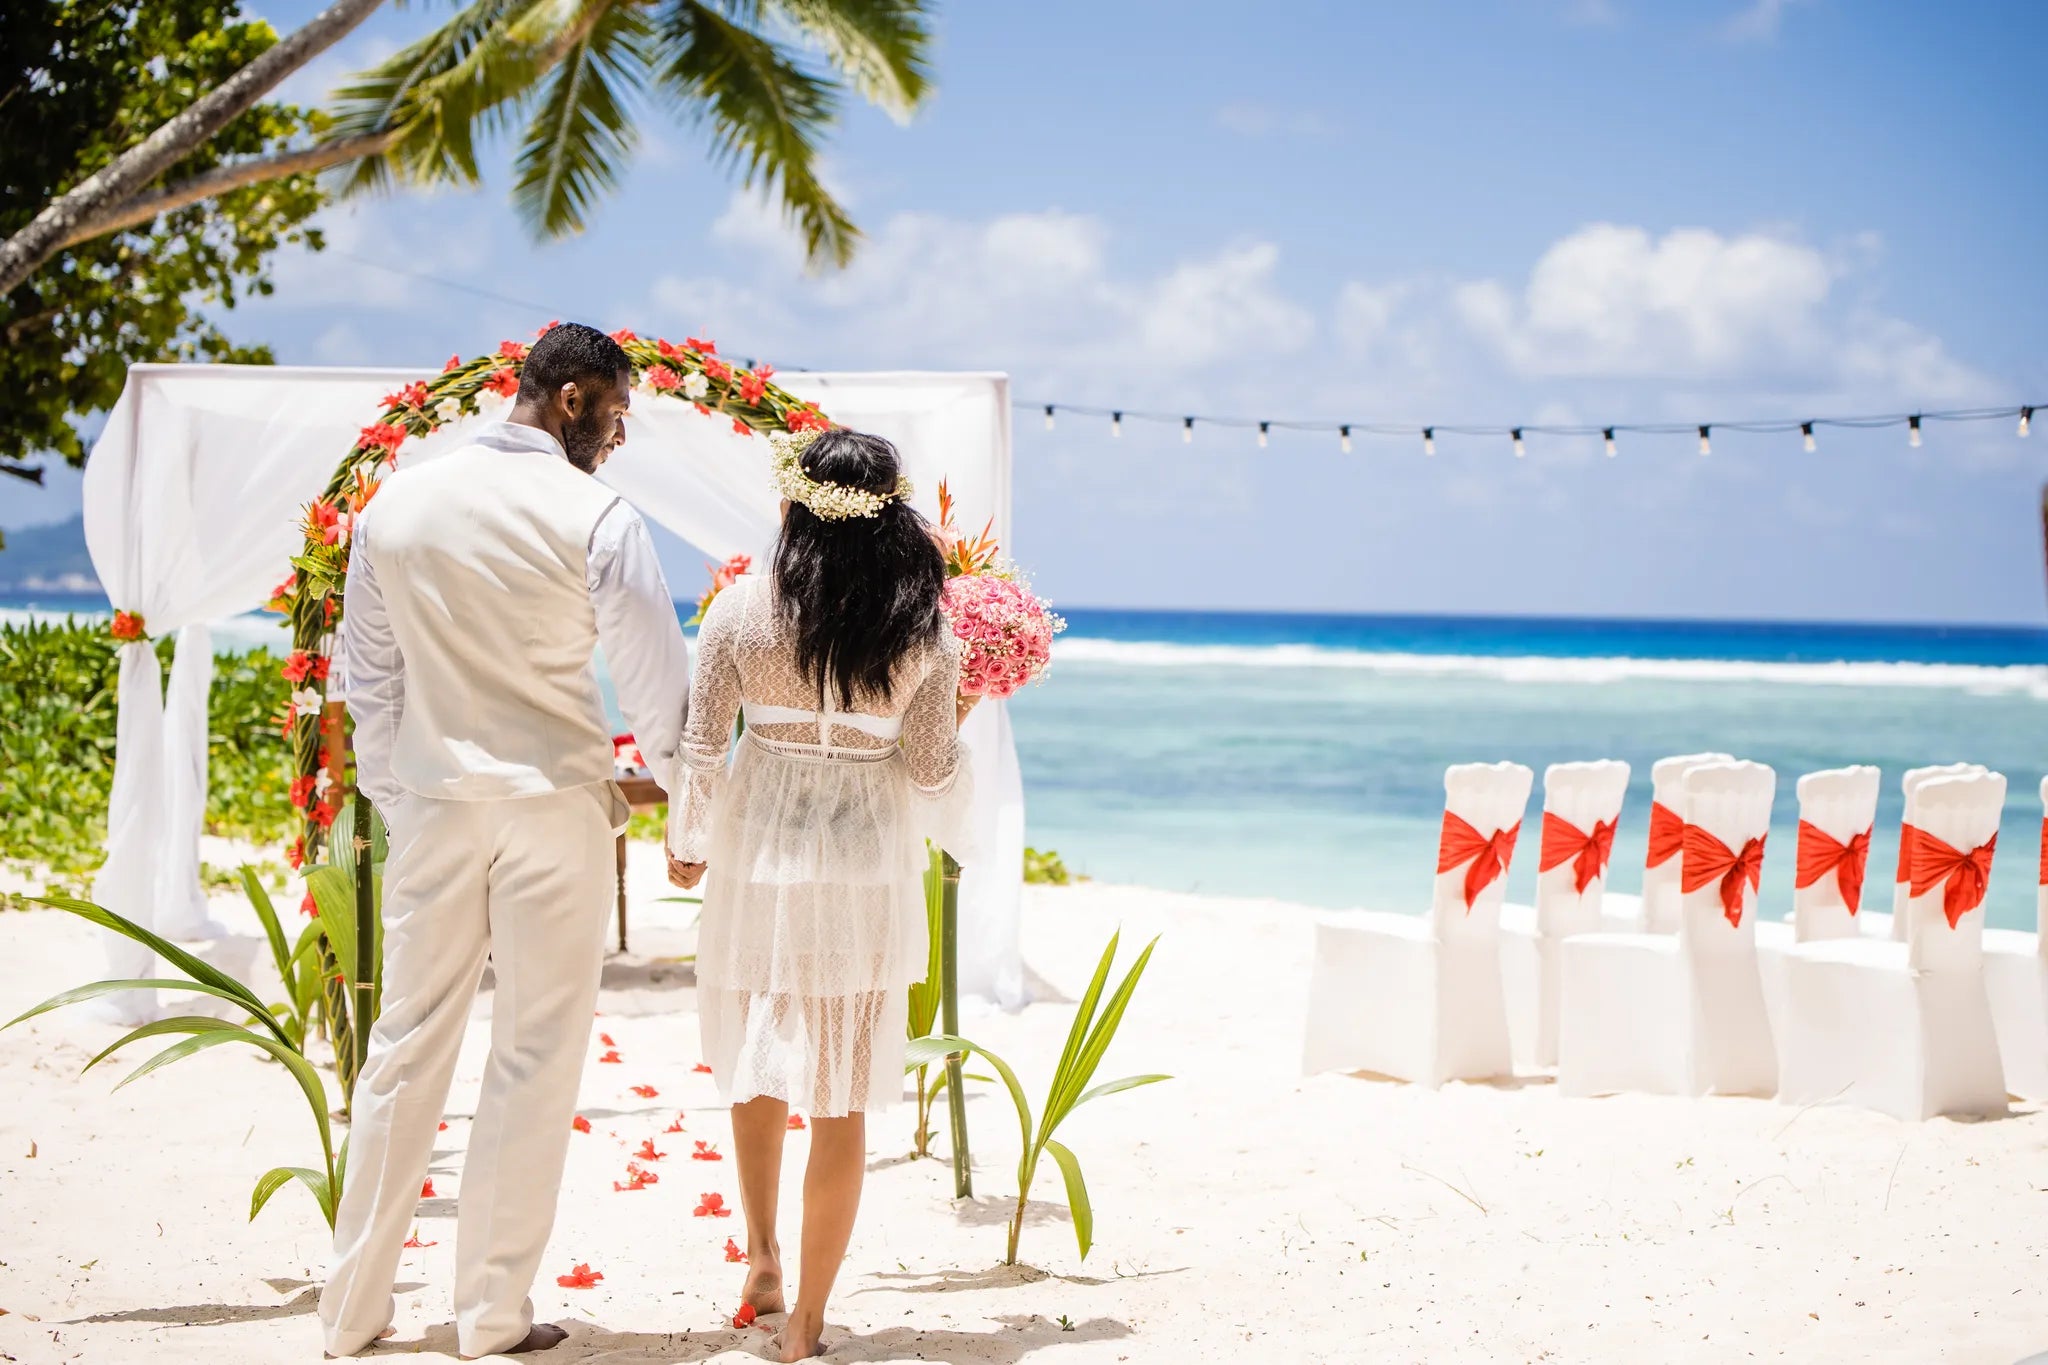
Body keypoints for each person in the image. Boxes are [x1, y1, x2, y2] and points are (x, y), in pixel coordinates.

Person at [320, 322, 691, 1359]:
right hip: (554, 807)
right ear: (571, 397)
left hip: (437, 807)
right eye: (614, 416)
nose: (616, 440)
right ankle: (488, 1319)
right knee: (532, 1054)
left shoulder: (395, 504)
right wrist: (690, 813)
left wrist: (410, 802)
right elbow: (659, 690)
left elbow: (371, 685)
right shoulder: (597, 515)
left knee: (404, 1045)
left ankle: (350, 1314)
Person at [666, 426, 975, 1362]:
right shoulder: (921, 628)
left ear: (794, 505)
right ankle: (805, 1322)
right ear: (893, 518)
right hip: (865, 867)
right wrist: (957, 716)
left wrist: (685, 845)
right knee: (838, 1095)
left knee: (758, 1053)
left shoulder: (738, 611)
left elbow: (702, 745)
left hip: (761, 854)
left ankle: (761, 1255)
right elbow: (929, 772)